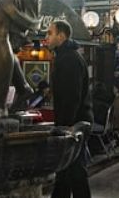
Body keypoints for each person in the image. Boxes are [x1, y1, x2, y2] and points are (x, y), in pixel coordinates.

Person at [48, 20, 93, 198]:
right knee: (67, 171)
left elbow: (71, 95)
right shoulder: (67, 56)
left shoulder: (69, 59)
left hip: (74, 124)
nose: (46, 37)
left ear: (61, 35)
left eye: (50, 33)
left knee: (74, 170)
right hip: (76, 122)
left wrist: (66, 126)